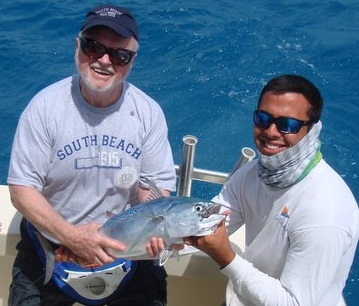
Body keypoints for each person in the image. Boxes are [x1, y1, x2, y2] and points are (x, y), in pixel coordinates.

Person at [7, 4, 176, 306]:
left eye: (120, 54)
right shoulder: (44, 108)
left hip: (125, 248)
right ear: (77, 45)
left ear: (132, 60)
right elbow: (22, 190)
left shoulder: (148, 114)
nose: (104, 60)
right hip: (52, 246)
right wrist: (71, 238)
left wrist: (143, 234)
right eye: (93, 46)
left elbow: (154, 192)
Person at [184, 74, 359, 305]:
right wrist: (167, 234)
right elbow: (210, 220)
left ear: (311, 129)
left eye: (287, 125)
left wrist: (227, 258)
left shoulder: (324, 212)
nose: (271, 131)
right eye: (263, 118)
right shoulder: (253, 173)